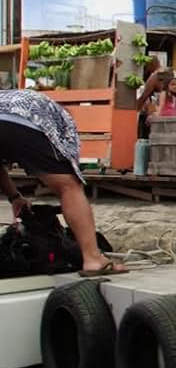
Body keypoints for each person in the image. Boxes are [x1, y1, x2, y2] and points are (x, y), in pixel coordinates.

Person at [0, 90, 126, 276]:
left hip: (13, 118)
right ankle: (93, 259)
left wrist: (14, 197)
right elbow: (70, 167)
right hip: (21, 121)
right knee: (69, 187)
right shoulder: (61, 121)